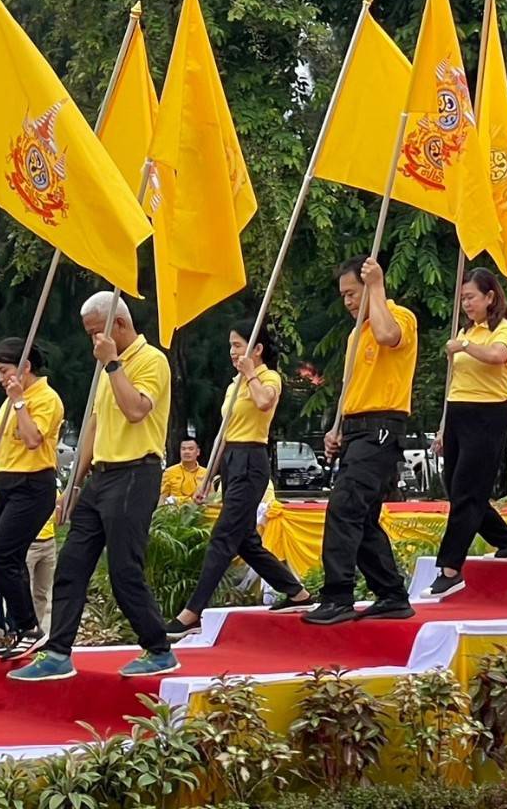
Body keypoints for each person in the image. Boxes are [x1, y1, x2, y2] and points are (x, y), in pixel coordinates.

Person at [10, 292, 176, 680]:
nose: (92, 342)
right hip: (102, 477)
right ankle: (57, 651)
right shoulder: (107, 367)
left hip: (137, 472)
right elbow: (95, 426)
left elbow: (136, 410)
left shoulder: (150, 361)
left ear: (118, 325)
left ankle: (158, 647)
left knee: (123, 569)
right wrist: (73, 485)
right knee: (71, 564)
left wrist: (113, 364)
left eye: (95, 333)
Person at [165, 321, 313, 636]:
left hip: (252, 459)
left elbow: (264, 403)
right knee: (244, 540)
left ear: (256, 349)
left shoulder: (268, 377)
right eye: (231, 346)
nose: (232, 352)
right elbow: (223, 434)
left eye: (238, 345)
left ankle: (192, 612)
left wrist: (250, 373)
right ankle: (297, 593)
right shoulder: (235, 384)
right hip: (231, 459)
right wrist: (208, 479)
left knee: (223, 536)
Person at [305, 255, 418, 626]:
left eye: (353, 292)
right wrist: (337, 426)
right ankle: (391, 593)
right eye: (344, 296)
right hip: (356, 427)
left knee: (344, 505)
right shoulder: (357, 332)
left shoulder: (398, 317)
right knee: (362, 515)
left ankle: (338, 595)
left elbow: (389, 337)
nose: (348, 301)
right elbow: (351, 386)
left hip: (383, 425)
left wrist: (378, 287)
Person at [422, 268, 507, 598]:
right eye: (463, 298)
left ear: (489, 297)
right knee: (458, 489)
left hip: (488, 414)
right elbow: (456, 384)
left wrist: (464, 345)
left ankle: (450, 568)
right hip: (458, 413)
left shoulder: (504, 331)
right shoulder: (466, 331)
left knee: (467, 492)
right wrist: (443, 428)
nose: (466, 303)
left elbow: (498, 357)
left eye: (471, 297)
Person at [0, 339, 64, 662]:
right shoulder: (9, 401)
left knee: (0, 556)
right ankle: (24, 630)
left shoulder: (45, 398)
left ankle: (29, 627)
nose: (0, 378)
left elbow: (33, 439)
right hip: (4, 484)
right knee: (8, 558)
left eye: (5, 370)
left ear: (25, 367)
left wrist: (20, 402)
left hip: (33, 484)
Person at [25, 500, 58, 632]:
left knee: (41, 591)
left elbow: (59, 517)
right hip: (29, 543)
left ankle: (36, 627)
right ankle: (21, 626)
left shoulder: (54, 493)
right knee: (23, 588)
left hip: (49, 542)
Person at [160, 437, 206, 504]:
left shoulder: (206, 473)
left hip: (199, 511)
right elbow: (162, 497)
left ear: (198, 452)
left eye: (191, 449)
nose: (187, 452)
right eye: (183, 449)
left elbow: (210, 498)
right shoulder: (169, 472)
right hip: (175, 511)